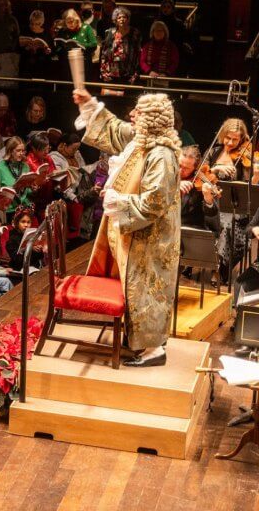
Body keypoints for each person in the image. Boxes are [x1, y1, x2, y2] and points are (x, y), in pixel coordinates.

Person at [73, 87, 180, 366]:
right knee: (134, 287)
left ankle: (154, 349)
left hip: (151, 239)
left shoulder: (162, 155)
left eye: (139, 112)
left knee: (147, 290)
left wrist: (118, 201)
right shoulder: (142, 142)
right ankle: (137, 340)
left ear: (151, 121)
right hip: (136, 234)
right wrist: (89, 105)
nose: (132, 115)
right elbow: (114, 129)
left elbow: (155, 202)